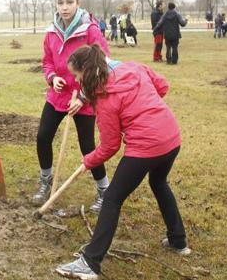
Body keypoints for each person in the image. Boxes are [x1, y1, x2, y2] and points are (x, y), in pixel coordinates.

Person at [55, 44, 190, 279]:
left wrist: (88, 161)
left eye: (77, 76)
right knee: (159, 182)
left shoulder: (105, 98)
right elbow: (163, 86)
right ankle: (178, 241)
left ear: (87, 71)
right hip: (171, 137)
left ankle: (90, 263)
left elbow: (109, 147)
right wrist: (144, 110)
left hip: (146, 146)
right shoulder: (133, 67)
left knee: (112, 198)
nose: (77, 82)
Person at [34, 0, 111, 214]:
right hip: (58, 96)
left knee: (87, 146)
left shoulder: (90, 30)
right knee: (43, 136)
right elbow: (47, 61)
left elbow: (102, 65)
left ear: (77, 2)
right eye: (60, 3)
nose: (64, 7)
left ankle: (104, 190)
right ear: (55, 5)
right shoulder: (51, 32)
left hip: (84, 98)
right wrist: (53, 77)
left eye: (69, 2)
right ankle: (45, 180)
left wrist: (85, 96)